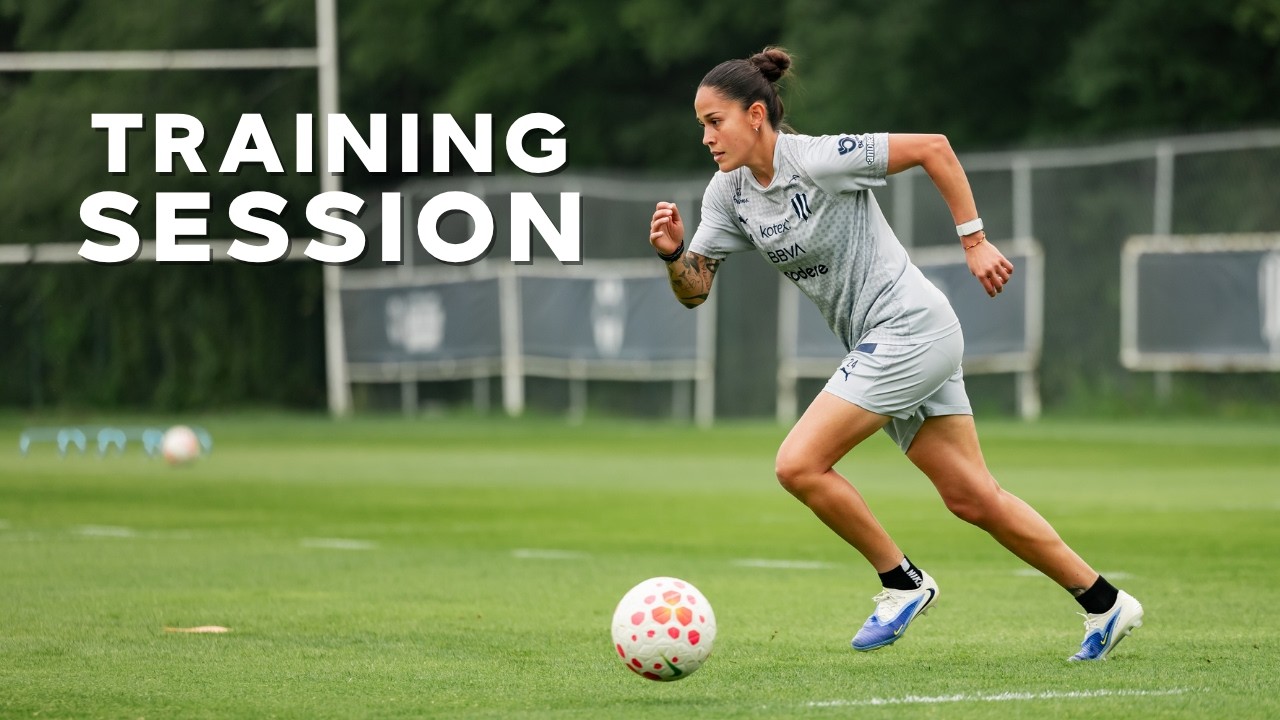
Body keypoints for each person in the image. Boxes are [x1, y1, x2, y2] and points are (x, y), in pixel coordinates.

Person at [647, 47, 1143, 661]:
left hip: (908, 328)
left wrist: (975, 241)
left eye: (713, 121)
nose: (705, 137)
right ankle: (1106, 603)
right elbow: (696, 290)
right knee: (973, 498)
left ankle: (902, 582)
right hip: (892, 341)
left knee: (798, 465)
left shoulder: (818, 159)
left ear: (755, 115)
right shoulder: (728, 194)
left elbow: (935, 148)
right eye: (701, 124)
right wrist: (673, 255)